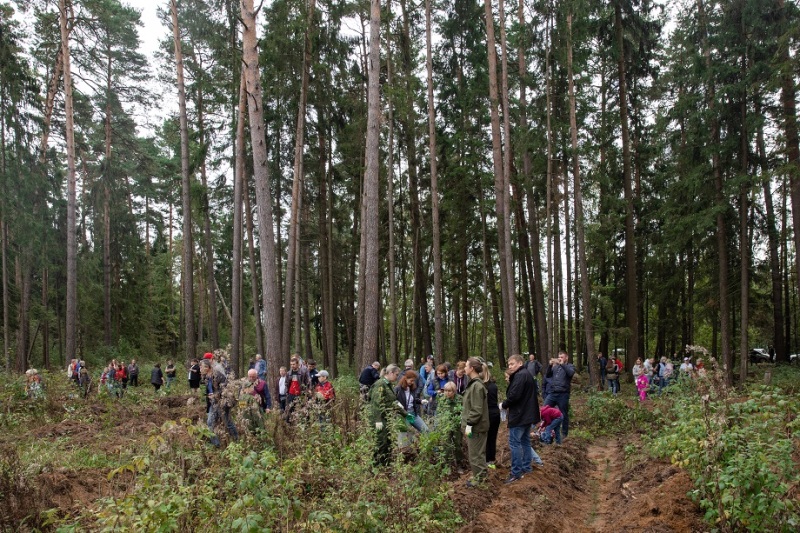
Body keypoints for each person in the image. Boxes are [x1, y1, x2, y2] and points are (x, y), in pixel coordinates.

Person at [499, 354, 542, 484]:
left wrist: (503, 405)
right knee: (525, 442)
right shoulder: (526, 374)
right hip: (527, 414)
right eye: (509, 364)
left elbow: (514, 396)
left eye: (512, 364)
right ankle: (526, 468)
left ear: (520, 363)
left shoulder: (520, 376)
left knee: (515, 443)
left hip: (519, 415)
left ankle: (516, 472)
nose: (510, 366)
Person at [368, 364, 406, 466]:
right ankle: (376, 466)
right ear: (390, 373)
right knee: (380, 442)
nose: (397, 377)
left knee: (387, 441)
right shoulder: (380, 384)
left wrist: (405, 414)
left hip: (386, 418)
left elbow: (393, 402)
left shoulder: (388, 385)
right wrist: (378, 421)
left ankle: (385, 464)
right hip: (379, 419)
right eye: (396, 374)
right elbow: (376, 404)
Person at [462, 357, 490, 488]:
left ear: (472, 368)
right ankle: (478, 476)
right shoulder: (474, 384)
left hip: (476, 427)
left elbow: (476, 410)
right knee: (475, 452)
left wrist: (469, 424)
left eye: (466, 366)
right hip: (474, 426)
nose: (464, 368)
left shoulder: (477, 386)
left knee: (476, 454)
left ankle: (480, 479)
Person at [201, 359, 238, 446]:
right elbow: (208, 391)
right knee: (210, 423)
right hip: (213, 403)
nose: (200, 369)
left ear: (207, 367)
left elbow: (225, 387)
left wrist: (215, 395)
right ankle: (216, 444)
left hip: (222, 402)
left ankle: (236, 440)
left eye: (201, 367)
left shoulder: (217, 375)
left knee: (227, 422)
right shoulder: (206, 377)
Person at [544, 351, 575, 439]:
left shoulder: (570, 366)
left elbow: (570, 373)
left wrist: (562, 364)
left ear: (566, 358)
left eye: (562, 357)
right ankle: (547, 430)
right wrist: (550, 365)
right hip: (553, 393)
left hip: (563, 394)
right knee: (545, 410)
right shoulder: (555, 367)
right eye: (559, 357)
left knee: (563, 413)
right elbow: (548, 375)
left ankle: (564, 434)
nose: (560, 358)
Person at [434, 381, 463, 467]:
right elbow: (439, 413)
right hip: (445, 425)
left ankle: (459, 464)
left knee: (457, 444)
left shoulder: (460, 399)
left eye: (449, 391)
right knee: (446, 445)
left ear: (454, 391)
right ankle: (445, 465)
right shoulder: (442, 399)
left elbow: (464, 411)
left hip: (456, 425)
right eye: (445, 391)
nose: (447, 393)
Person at [483, 361, 500, 466]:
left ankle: (487, 461)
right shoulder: (493, 385)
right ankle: (491, 461)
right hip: (495, 413)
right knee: (492, 438)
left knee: (486, 438)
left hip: (488, 413)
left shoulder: (482, 386)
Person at [285, 356, 310, 421]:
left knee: (304, 409)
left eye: (294, 364)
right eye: (291, 364)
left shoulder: (303, 372)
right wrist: (287, 392)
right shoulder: (288, 373)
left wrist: (307, 391)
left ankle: (305, 422)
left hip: (301, 393)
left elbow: (308, 382)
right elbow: (286, 383)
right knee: (290, 409)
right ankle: (289, 423)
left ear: (298, 364)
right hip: (291, 393)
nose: (292, 366)